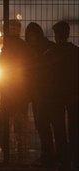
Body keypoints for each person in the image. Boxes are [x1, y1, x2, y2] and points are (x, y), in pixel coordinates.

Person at [0, 19, 34, 165]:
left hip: (11, 95)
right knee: (20, 129)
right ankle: (21, 158)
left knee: (2, 127)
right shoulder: (22, 47)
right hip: (20, 95)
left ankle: (10, 155)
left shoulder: (8, 47)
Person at [44, 21, 78, 170]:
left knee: (59, 129)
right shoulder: (75, 52)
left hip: (55, 96)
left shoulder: (50, 53)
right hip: (73, 95)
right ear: (68, 34)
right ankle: (75, 158)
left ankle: (63, 159)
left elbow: (45, 76)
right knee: (74, 129)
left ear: (57, 35)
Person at [24, 22, 56, 167]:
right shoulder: (42, 49)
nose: (31, 40)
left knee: (45, 126)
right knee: (45, 126)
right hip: (41, 94)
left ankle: (49, 156)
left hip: (46, 94)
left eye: (32, 36)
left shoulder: (42, 50)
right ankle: (51, 155)